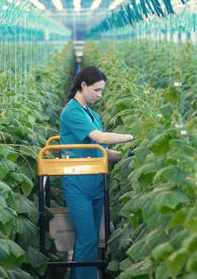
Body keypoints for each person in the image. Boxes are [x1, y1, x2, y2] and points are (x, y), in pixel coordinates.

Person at [59, 66, 135, 279]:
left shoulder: (92, 114)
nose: (100, 95)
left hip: (95, 183)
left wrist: (125, 157)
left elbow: (100, 150)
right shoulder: (72, 111)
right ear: (83, 85)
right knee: (87, 238)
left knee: (91, 240)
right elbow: (100, 138)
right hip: (78, 183)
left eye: (102, 91)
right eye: (97, 90)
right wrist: (131, 137)